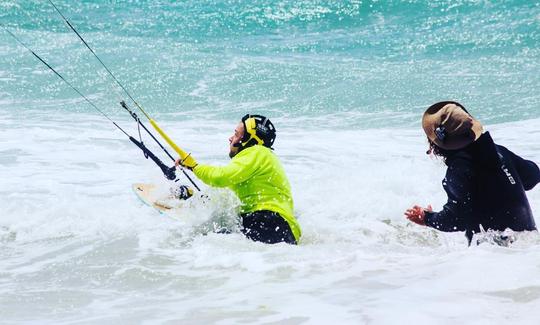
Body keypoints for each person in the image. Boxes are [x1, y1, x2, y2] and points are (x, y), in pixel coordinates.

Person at [404, 101, 540, 244]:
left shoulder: (460, 169)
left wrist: (427, 218)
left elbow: (456, 219)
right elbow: (533, 176)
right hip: (529, 246)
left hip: (496, 256)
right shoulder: (499, 152)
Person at [175, 114, 301, 245]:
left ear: (249, 140)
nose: (230, 138)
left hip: (268, 222)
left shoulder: (258, 151)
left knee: (199, 240)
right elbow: (224, 198)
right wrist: (194, 197)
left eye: (236, 134)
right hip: (283, 230)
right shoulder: (261, 162)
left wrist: (194, 166)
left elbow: (219, 177)